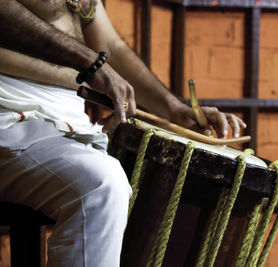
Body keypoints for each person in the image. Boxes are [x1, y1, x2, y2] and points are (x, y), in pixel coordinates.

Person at [0, 0, 246, 266]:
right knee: (101, 185)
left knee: (169, 183)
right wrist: (90, 63)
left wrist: (174, 109)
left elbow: (111, 47)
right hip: (11, 115)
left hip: (67, 124)